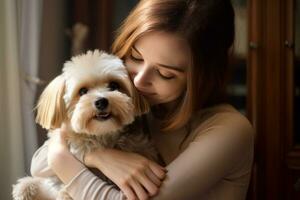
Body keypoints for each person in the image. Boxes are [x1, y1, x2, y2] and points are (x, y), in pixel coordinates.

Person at [31, 0, 254, 199]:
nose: (139, 81)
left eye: (165, 74)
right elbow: (39, 166)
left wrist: (62, 158)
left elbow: (56, 160)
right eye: (135, 57)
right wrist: (99, 156)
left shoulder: (230, 130)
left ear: (202, 77)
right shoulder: (138, 108)